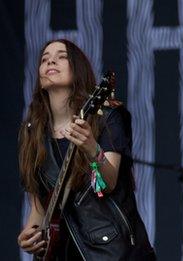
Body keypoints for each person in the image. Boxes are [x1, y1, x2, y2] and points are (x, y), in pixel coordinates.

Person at [17, 39, 155, 260]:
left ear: (78, 69)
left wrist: (92, 148)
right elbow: (39, 208)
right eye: (44, 59)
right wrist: (29, 235)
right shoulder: (31, 133)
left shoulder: (105, 117)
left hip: (110, 251)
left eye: (61, 56)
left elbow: (108, 183)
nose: (50, 60)